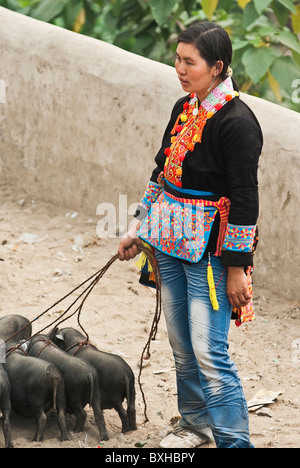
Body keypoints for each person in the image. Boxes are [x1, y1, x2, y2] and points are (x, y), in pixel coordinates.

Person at [118, 22, 263, 449]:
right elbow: (162, 172)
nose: (179, 68)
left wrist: (236, 268)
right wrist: (137, 227)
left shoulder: (237, 122)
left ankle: (235, 441)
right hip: (167, 240)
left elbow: (244, 200)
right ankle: (196, 422)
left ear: (217, 67)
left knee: (209, 351)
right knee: (182, 342)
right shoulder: (186, 107)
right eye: (178, 59)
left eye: (189, 62)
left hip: (211, 253)